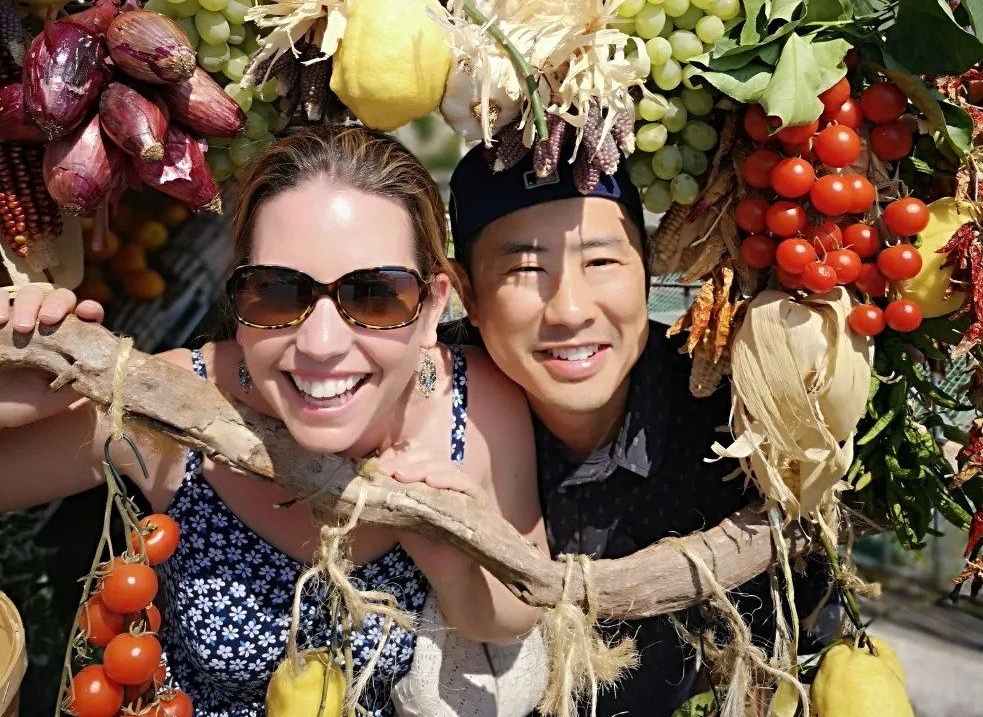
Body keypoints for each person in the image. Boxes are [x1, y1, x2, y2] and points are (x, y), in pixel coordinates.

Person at [0, 125, 546, 717]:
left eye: (374, 295)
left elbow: (515, 612)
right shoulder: (170, 405)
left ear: (433, 305)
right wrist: (12, 393)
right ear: (237, 305)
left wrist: (454, 567)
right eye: (277, 292)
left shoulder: (478, 404)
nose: (320, 344)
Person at [443, 138, 837, 717]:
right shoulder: (430, 408)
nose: (570, 310)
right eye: (525, 269)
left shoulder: (737, 419)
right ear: (466, 293)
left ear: (648, 268)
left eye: (601, 263)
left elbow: (791, 638)